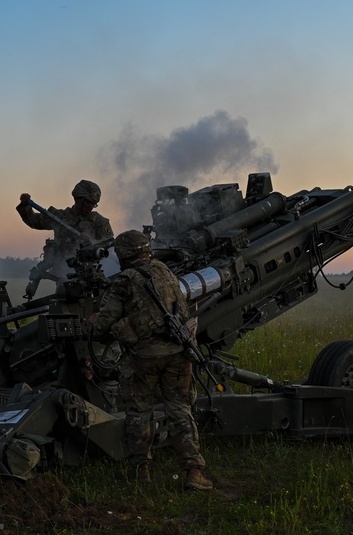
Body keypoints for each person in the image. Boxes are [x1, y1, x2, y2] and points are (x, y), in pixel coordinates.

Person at [90, 229, 213, 490]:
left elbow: (102, 327)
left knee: (139, 411)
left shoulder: (123, 281)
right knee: (180, 409)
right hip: (178, 352)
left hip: (143, 358)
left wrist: (102, 324)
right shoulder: (165, 272)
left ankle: (141, 471)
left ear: (123, 255)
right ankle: (193, 472)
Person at [16, 179, 114, 297]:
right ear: (78, 199)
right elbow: (35, 221)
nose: (91, 206)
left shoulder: (99, 222)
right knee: (64, 292)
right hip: (63, 270)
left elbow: (108, 247)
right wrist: (25, 206)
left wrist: (91, 243)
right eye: (88, 202)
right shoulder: (60, 216)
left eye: (94, 203)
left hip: (91, 272)